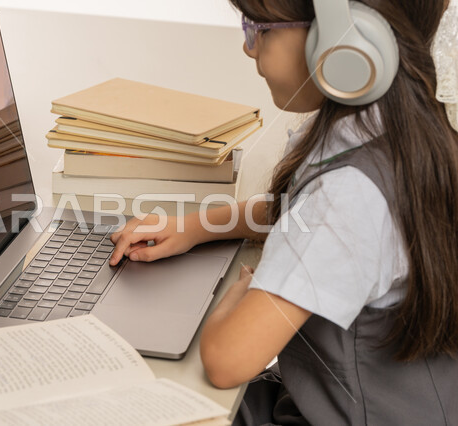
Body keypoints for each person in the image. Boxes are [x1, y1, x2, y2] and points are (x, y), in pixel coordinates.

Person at [109, 0, 458, 424]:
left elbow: (226, 361)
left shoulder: (349, 195)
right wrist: (192, 227)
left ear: (341, 40)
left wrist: (233, 298)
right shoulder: (389, 129)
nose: (248, 47)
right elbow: (294, 211)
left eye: (260, 29)